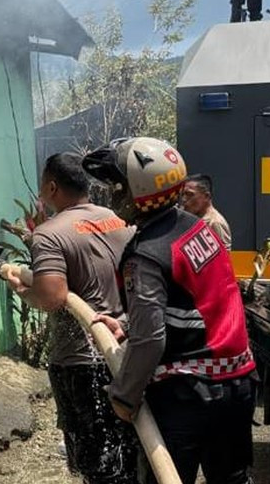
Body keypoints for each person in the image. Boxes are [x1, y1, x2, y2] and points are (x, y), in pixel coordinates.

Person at [82, 138, 255, 484]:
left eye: (117, 186)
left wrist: (124, 395)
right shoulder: (196, 227)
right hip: (238, 383)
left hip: (187, 395)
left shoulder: (146, 254)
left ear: (135, 192)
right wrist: (126, 323)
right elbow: (197, 300)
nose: (113, 195)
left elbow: (150, 340)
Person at [4, 153, 138, 484]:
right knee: (128, 451)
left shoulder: (49, 233)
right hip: (128, 350)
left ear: (52, 187)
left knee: (94, 462)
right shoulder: (116, 219)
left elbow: (52, 297)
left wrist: (22, 290)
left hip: (81, 362)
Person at [179, 174, 232, 249]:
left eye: (190, 194)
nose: (183, 199)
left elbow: (224, 254)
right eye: (183, 194)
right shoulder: (189, 219)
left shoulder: (214, 222)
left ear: (206, 196)